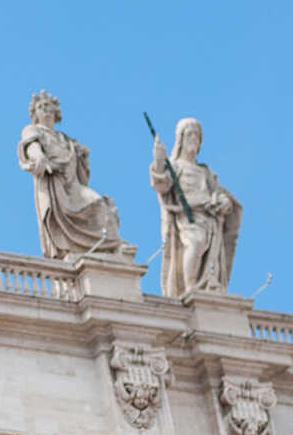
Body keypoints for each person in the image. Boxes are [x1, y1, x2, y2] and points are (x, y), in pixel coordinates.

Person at [17, 90, 127, 258]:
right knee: (62, 221)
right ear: (35, 113)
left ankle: (112, 245)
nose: (45, 109)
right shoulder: (32, 130)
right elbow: (30, 146)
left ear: (56, 112)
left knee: (100, 205)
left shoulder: (65, 138)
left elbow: (79, 166)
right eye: (41, 106)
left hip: (73, 186)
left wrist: (81, 155)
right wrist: (38, 155)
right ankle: (74, 249)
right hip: (55, 184)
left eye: (49, 106)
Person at [153, 117, 242, 299]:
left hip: (209, 218)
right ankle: (190, 288)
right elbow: (161, 184)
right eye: (190, 134)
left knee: (209, 256)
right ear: (181, 139)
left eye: (197, 135)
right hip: (186, 218)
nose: (194, 138)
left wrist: (224, 202)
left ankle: (204, 287)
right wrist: (159, 161)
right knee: (195, 243)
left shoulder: (205, 171)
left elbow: (218, 192)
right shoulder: (176, 167)